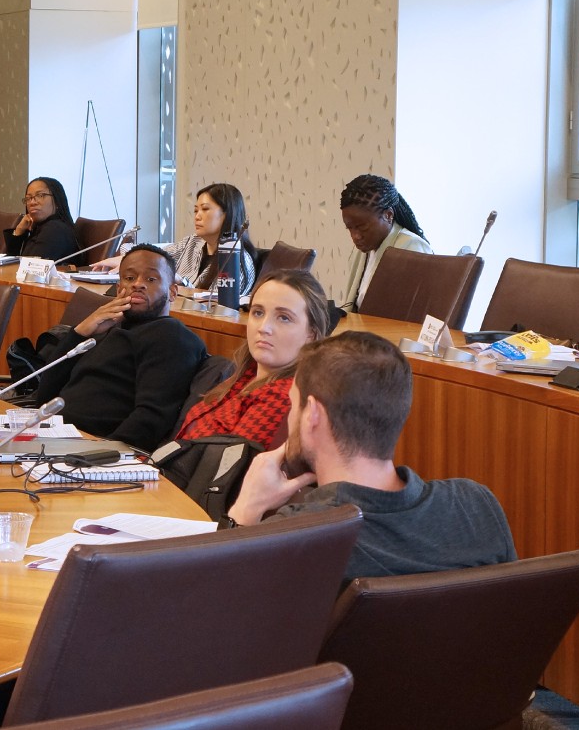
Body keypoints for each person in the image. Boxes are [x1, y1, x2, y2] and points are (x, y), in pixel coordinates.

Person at [227, 331, 517, 585]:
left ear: (312, 414)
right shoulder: (476, 508)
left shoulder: (290, 536)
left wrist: (244, 512)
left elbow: (212, 611)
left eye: (293, 406)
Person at [33, 245, 207, 452]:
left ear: (172, 292)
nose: (138, 284)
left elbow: (150, 419)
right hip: (52, 436)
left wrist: (97, 456)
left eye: (151, 279)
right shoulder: (108, 329)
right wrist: (80, 331)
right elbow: (45, 397)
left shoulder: (171, 336)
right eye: (130, 278)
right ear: (118, 289)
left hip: (91, 451)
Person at [175, 269, 329, 448]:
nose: (264, 327)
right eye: (258, 313)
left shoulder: (283, 397)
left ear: (311, 334)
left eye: (284, 318)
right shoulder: (246, 375)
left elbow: (226, 463)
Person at [92, 183, 256, 290]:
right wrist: (127, 258)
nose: (197, 216)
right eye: (195, 210)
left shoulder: (238, 261)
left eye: (205, 209)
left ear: (228, 214)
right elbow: (158, 256)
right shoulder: (193, 242)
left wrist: (179, 280)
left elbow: (219, 308)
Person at [338, 174, 431, 312]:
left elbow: (419, 311)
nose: (355, 236)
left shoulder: (412, 247)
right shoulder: (364, 250)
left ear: (388, 215)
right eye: (350, 228)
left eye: (362, 227)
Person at [4, 176, 79, 261]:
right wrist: (19, 230)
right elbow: (12, 260)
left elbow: (31, 265)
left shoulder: (55, 229)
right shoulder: (41, 227)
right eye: (28, 198)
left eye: (40, 195)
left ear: (57, 200)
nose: (32, 202)